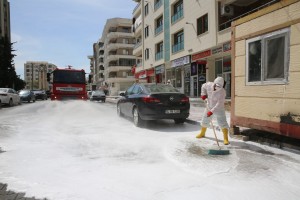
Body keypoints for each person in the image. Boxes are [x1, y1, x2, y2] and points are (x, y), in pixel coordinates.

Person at [196, 76, 230, 145]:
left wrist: (212, 111)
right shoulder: (208, 85)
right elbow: (203, 86)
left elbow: (219, 103)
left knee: (222, 122)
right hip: (209, 106)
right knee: (205, 120)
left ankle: (225, 138)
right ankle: (202, 133)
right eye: (216, 86)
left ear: (221, 86)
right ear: (214, 83)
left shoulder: (222, 92)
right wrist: (203, 94)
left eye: (219, 87)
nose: (216, 88)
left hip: (219, 108)